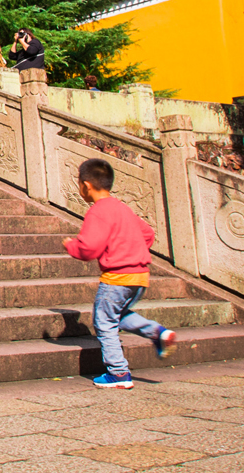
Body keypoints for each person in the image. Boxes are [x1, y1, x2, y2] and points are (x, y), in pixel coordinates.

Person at [63, 157, 174, 389]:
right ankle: (157, 333)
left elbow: (90, 247)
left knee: (103, 321)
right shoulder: (122, 208)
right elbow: (147, 234)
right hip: (140, 276)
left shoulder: (98, 211)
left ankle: (118, 372)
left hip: (117, 277)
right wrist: (127, 246)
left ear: (86, 185)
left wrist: (71, 246)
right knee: (118, 314)